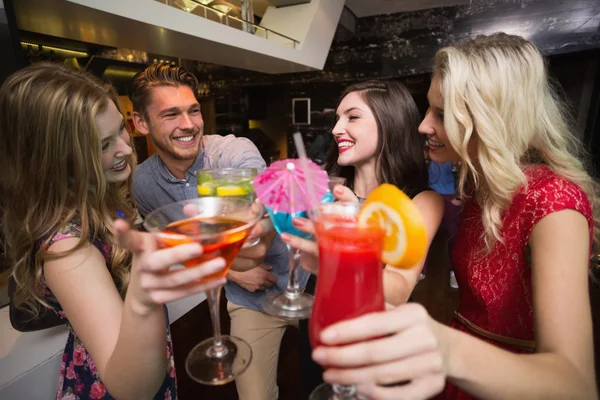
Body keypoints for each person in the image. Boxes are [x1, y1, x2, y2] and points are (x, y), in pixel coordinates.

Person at [306, 33, 599, 400]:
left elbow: (575, 384)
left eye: (441, 114)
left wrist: (444, 348)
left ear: (491, 117)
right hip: (456, 374)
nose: (423, 126)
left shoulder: (554, 199)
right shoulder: (481, 190)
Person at [0, 63, 228, 399]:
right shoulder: (67, 248)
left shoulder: (101, 198)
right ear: (59, 160)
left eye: (121, 131)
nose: (125, 148)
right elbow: (132, 389)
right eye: (103, 144)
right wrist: (144, 295)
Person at [130, 63, 308, 400]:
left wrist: (253, 240)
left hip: (301, 284)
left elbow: (262, 227)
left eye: (193, 111)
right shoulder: (143, 182)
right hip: (249, 300)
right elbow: (174, 249)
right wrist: (237, 275)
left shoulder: (234, 153)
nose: (188, 125)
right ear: (141, 123)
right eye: (171, 114)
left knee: (333, 379)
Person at [281, 80, 445, 397]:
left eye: (352, 117)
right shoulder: (324, 194)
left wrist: (336, 262)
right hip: (322, 319)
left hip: (377, 337)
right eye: (337, 119)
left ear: (390, 123)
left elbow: (398, 289)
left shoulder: (420, 202)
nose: (336, 129)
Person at [427, 160, 462, 287]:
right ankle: (420, 269)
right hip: (431, 191)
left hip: (450, 195)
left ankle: (455, 272)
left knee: (453, 235)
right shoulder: (430, 147)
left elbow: (464, 169)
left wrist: (458, 196)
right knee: (424, 233)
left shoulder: (454, 148)